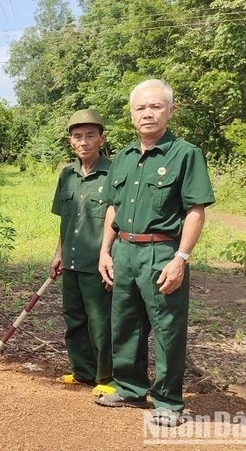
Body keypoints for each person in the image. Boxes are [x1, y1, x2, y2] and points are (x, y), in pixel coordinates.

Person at [94, 79, 215, 427]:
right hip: (125, 251)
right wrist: (105, 250)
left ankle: (168, 402)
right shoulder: (124, 158)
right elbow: (114, 209)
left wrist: (181, 259)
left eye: (156, 106)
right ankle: (130, 389)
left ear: (171, 110)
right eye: (141, 108)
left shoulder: (185, 154)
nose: (147, 113)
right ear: (132, 115)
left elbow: (196, 210)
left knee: (167, 328)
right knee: (126, 324)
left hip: (162, 252)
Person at [50, 109, 114, 397]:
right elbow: (65, 218)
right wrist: (58, 253)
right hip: (72, 261)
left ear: (101, 138)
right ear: (70, 141)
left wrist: (108, 253)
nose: (84, 141)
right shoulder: (67, 175)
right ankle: (82, 372)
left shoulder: (114, 173)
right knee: (74, 318)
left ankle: (106, 377)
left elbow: (118, 219)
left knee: (100, 322)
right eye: (78, 136)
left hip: (98, 263)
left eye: (90, 135)